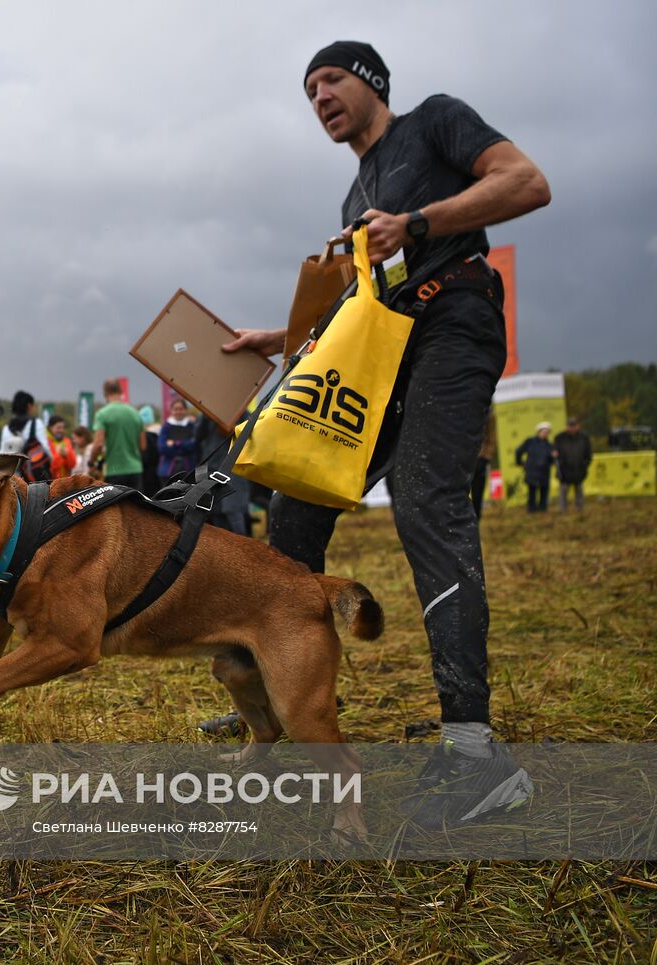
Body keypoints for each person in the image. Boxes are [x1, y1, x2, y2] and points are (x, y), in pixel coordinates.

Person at [217, 41, 551, 828]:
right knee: (293, 505)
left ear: (369, 82)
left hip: (455, 319)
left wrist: (420, 221)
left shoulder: (435, 123)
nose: (320, 98)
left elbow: (526, 182)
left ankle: (475, 752)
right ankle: (275, 698)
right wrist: (279, 336)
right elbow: (350, 305)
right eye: (308, 92)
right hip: (383, 348)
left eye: (330, 80)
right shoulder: (351, 198)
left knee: (426, 500)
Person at [89, 379, 145, 489]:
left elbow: (98, 445)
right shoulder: (135, 413)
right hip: (135, 470)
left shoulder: (102, 414)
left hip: (114, 470)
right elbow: (143, 446)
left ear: (105, 393)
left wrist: (92, 462)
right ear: (120, 391)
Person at [553, 416, 593, 512]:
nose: (572, 428)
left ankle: (580, 509)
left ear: (578, 426)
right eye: (570, 425)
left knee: (579, 489)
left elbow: (589, 454)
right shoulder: (559, 437)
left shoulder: (584, 437)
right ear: (566, 426)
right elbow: (554, 453)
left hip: (579, 469)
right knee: (563, 490)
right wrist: (559, 464)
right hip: (564, 470)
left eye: (574, 425)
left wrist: (584, 465)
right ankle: (562, 509)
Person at [0, 390, 51, 462]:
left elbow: (2, 452)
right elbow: (45, 449)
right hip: (30, 470)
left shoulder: (6, 428)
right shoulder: (36, 424)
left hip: (10, 470)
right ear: (29, 406)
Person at [516, 421, 557, 513]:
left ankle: (543, 509)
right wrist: (520, 463)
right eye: (543, 431)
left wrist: (554, 457)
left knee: (544, 491)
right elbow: (518, 451)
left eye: (547, 432)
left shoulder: (549, 445)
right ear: (538, 432)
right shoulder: (530, 442)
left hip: (544, 472)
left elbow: (552, 461)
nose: (545, 434)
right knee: (532, 491)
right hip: (532, 472)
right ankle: (531, 509)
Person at [157, 397, 198, 486]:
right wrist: (183, 447)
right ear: (171, 410)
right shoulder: (166, 427)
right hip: (167, 470)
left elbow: (193, 446)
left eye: (181, 409)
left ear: (186, 410)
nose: (178, 411)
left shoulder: (191, 426)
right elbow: (162, 448)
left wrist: (175, 443)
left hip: (187, 470)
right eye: (176, 409)